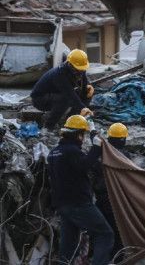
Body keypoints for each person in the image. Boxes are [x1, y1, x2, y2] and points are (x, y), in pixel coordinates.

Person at [47, 115, 113, 265]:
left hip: (62, 205)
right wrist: (96, 147)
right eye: (83, 135)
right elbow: (85, 165)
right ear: (79, 135)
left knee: (68, 246)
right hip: (78, 203)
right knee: (105, 234)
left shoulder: (53, 153)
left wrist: (92, 131)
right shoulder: (72, 151)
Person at [91, 123, 132, 262]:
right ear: (123, 140)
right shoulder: (124, 156)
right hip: (116, 200)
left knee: (102, 233)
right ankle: (116, 260)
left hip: (100, 200)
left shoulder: (100, 153)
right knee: (117, 232)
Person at [31, 49, 94, 135]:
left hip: (57, 94)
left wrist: (88, 85)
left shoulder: (79, 69)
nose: (81, 72)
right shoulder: (59, 75)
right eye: (79, 70)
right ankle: (48, 127)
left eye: (82, 70)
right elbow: (69, 93)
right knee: (64, 99)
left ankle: (70, 121)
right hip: (40, 99)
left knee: (87, 93)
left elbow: (84, 79)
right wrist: (83, 108)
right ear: (70, 65)